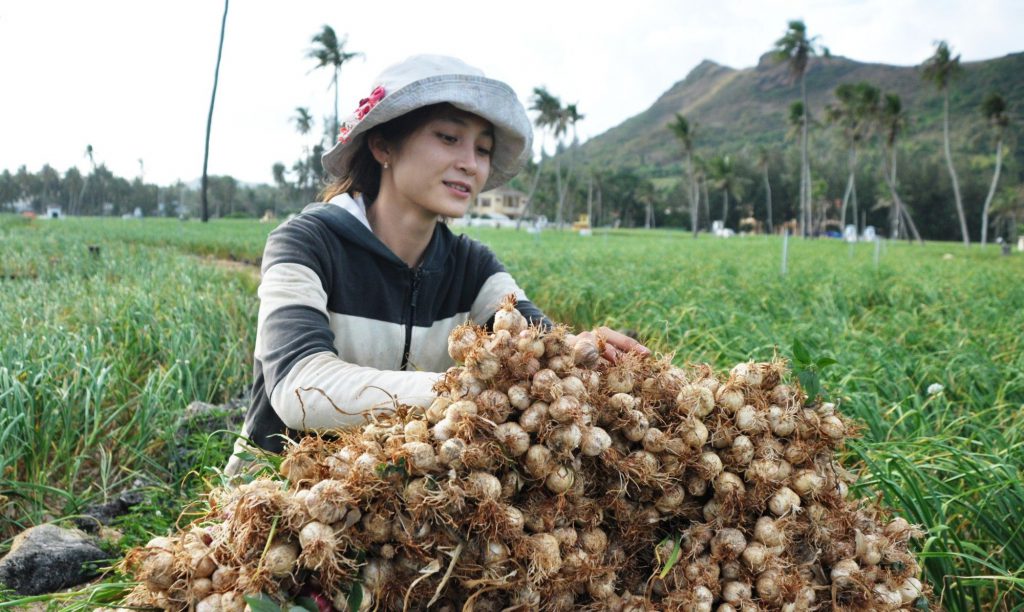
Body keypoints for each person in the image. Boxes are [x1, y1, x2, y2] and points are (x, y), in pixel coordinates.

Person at [226, 55, 647, 474]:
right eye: (448, 138)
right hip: (283, 496)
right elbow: (301, 387)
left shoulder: (473, 266)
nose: (471, 163)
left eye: (483, 149)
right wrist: (466, 391)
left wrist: (580, 351)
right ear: (382, 145)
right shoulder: (307, 243)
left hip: (399, 496)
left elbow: (541, 347)